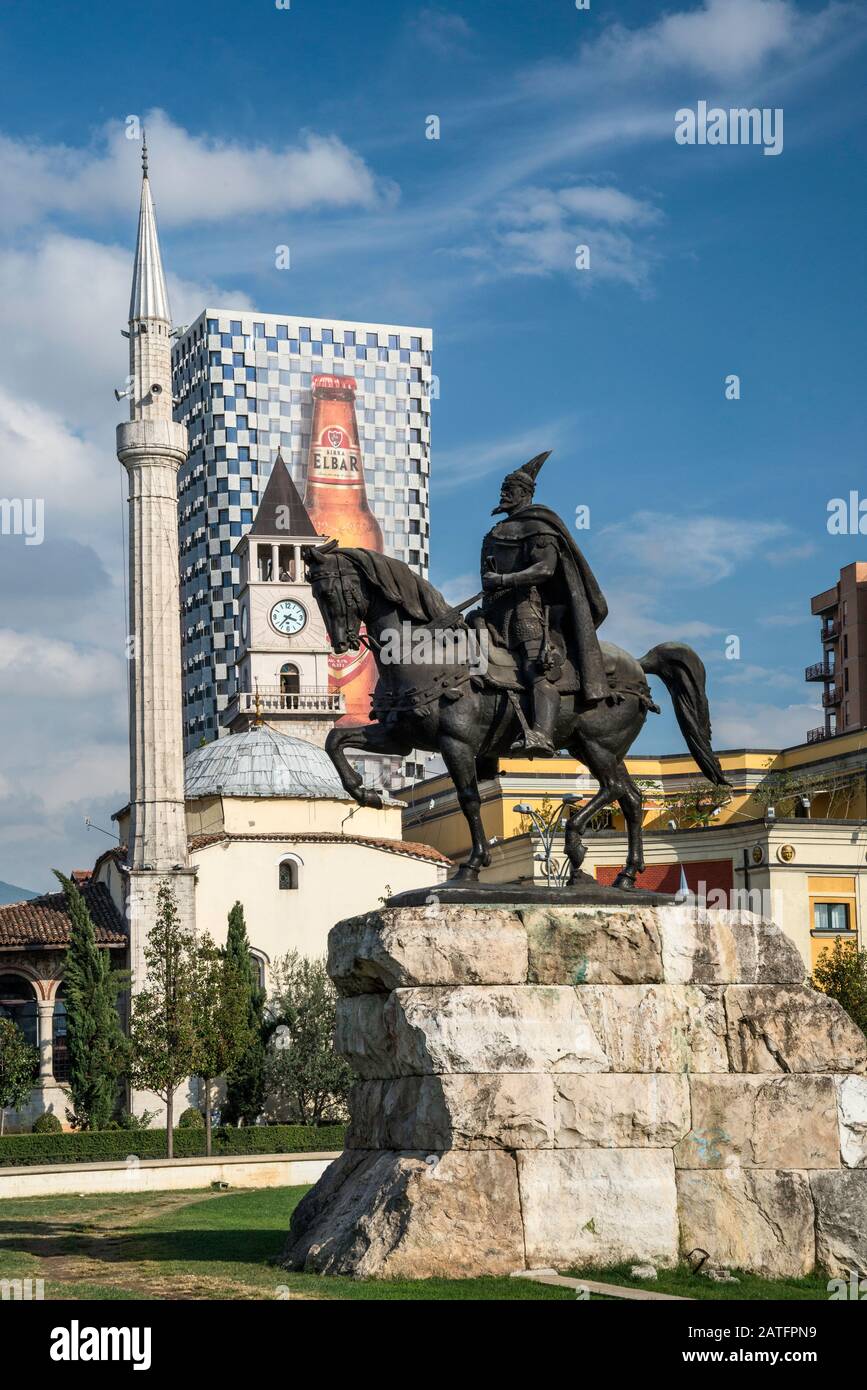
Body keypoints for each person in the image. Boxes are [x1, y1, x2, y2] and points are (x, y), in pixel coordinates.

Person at [477, 451, 609, 756]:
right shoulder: (494, 532)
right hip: (494, 609)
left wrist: (503, 581)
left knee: (535, 668)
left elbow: (545, 569)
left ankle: (542, 734)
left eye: (509, 490)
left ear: (525, 494)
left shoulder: (539, 528)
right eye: (503, 489)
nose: (503, 494)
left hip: (527, 610)